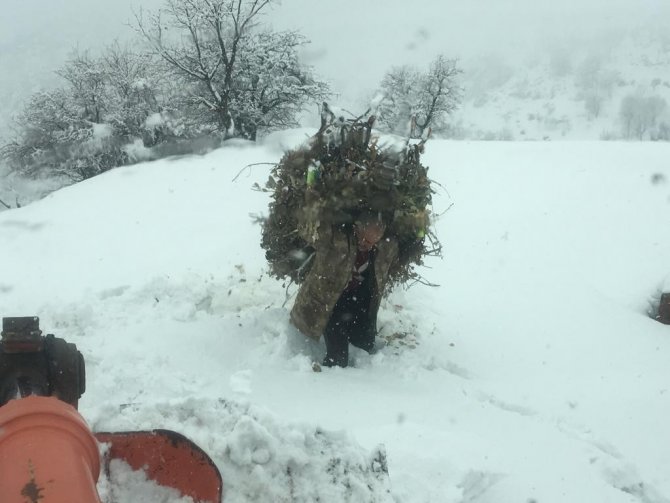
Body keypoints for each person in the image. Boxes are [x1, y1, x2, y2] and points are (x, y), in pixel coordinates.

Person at [290, 212, 399, 367]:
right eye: (364, 239)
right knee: (338, 360)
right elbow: (306, 226)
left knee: (365, 346)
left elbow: (405, 244)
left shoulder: (384, 247)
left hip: (358, 302)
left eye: (372, 242)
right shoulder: (335, 240)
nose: (366, 245)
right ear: (356, 228)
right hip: (330, 304)